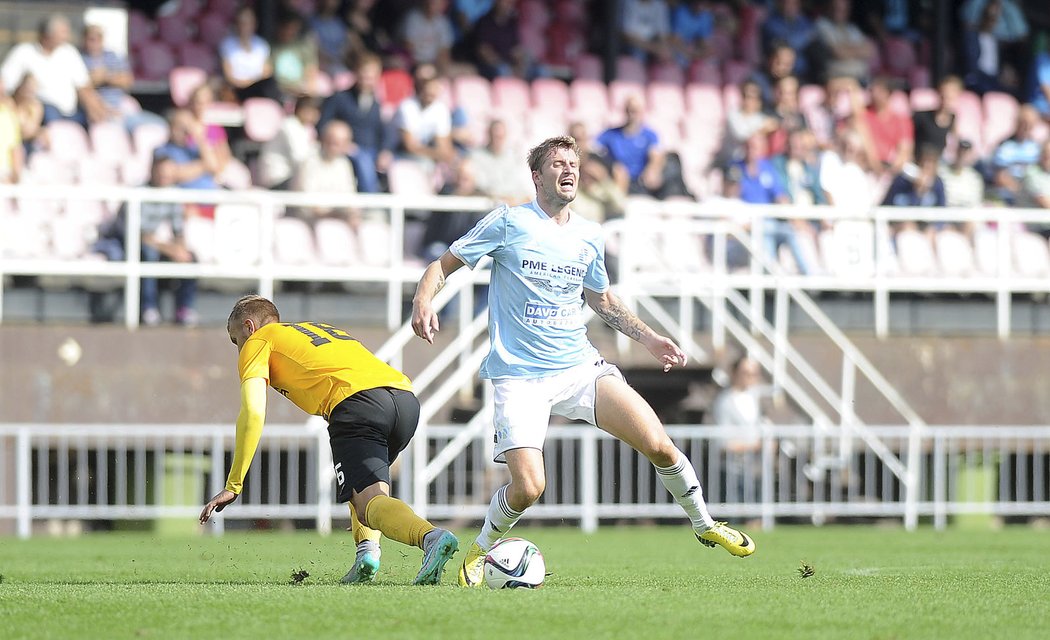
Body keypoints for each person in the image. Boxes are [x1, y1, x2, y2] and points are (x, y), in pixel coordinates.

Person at [410, 136, 755, 588]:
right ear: (537, 176)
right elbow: (442, 265)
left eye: (573, 162)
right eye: (557, 163)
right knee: (530, 488)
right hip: (520, 376)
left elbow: (602, 299)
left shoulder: (589, 234)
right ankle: (479, 552)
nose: (569, 170)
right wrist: (423, 300)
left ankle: (705, 523)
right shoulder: (509, 223)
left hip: (578, 368)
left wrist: (650, 339)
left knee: (659, 443)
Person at [200, 295, 460, 586]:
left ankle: (430, 538)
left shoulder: (259, 341)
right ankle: (367, 555)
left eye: (236, 341)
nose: (240, 350)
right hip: (404, 400)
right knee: (363, 488)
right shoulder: (316, 329)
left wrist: (234, 484)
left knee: (369, 503)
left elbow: (253, 411)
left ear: (249, 326)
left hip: (355, 404)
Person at [1, 14, 109, 126]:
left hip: (71, 114)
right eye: (63, 32)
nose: (67, 36)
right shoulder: (24, 52)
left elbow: (83, 87)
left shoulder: (69, 52)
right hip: (40, 114)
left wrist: (96, 109)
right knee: (47, 111)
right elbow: (6, 84)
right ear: (48, 34)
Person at [317, 53, 392, 194]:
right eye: (364, 76)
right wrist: (343, 144)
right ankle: (371, 202)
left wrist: (385, 150)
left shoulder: (377, 104)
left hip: (372, 150)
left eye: (371, 77)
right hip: (349, 149)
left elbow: (383, 131)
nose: (367, 81)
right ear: (356, 74)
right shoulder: (339, 98)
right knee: (363, 159)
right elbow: (323, 125)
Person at [711, 356, 766, 503]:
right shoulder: (725, 401)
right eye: (746, 373)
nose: (750, 378)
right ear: (734, 373)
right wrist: (753, 445)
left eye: (754, 374)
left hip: (753, 467)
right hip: (731, 469)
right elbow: (723, 442)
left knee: (755, 518)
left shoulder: (754, 398)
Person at [259, 95, 321, 190]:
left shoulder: (306, 129)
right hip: (278, 180)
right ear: (301, 110)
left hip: (294, 178)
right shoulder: (288, 126)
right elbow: (300, 157)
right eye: (311, 111)